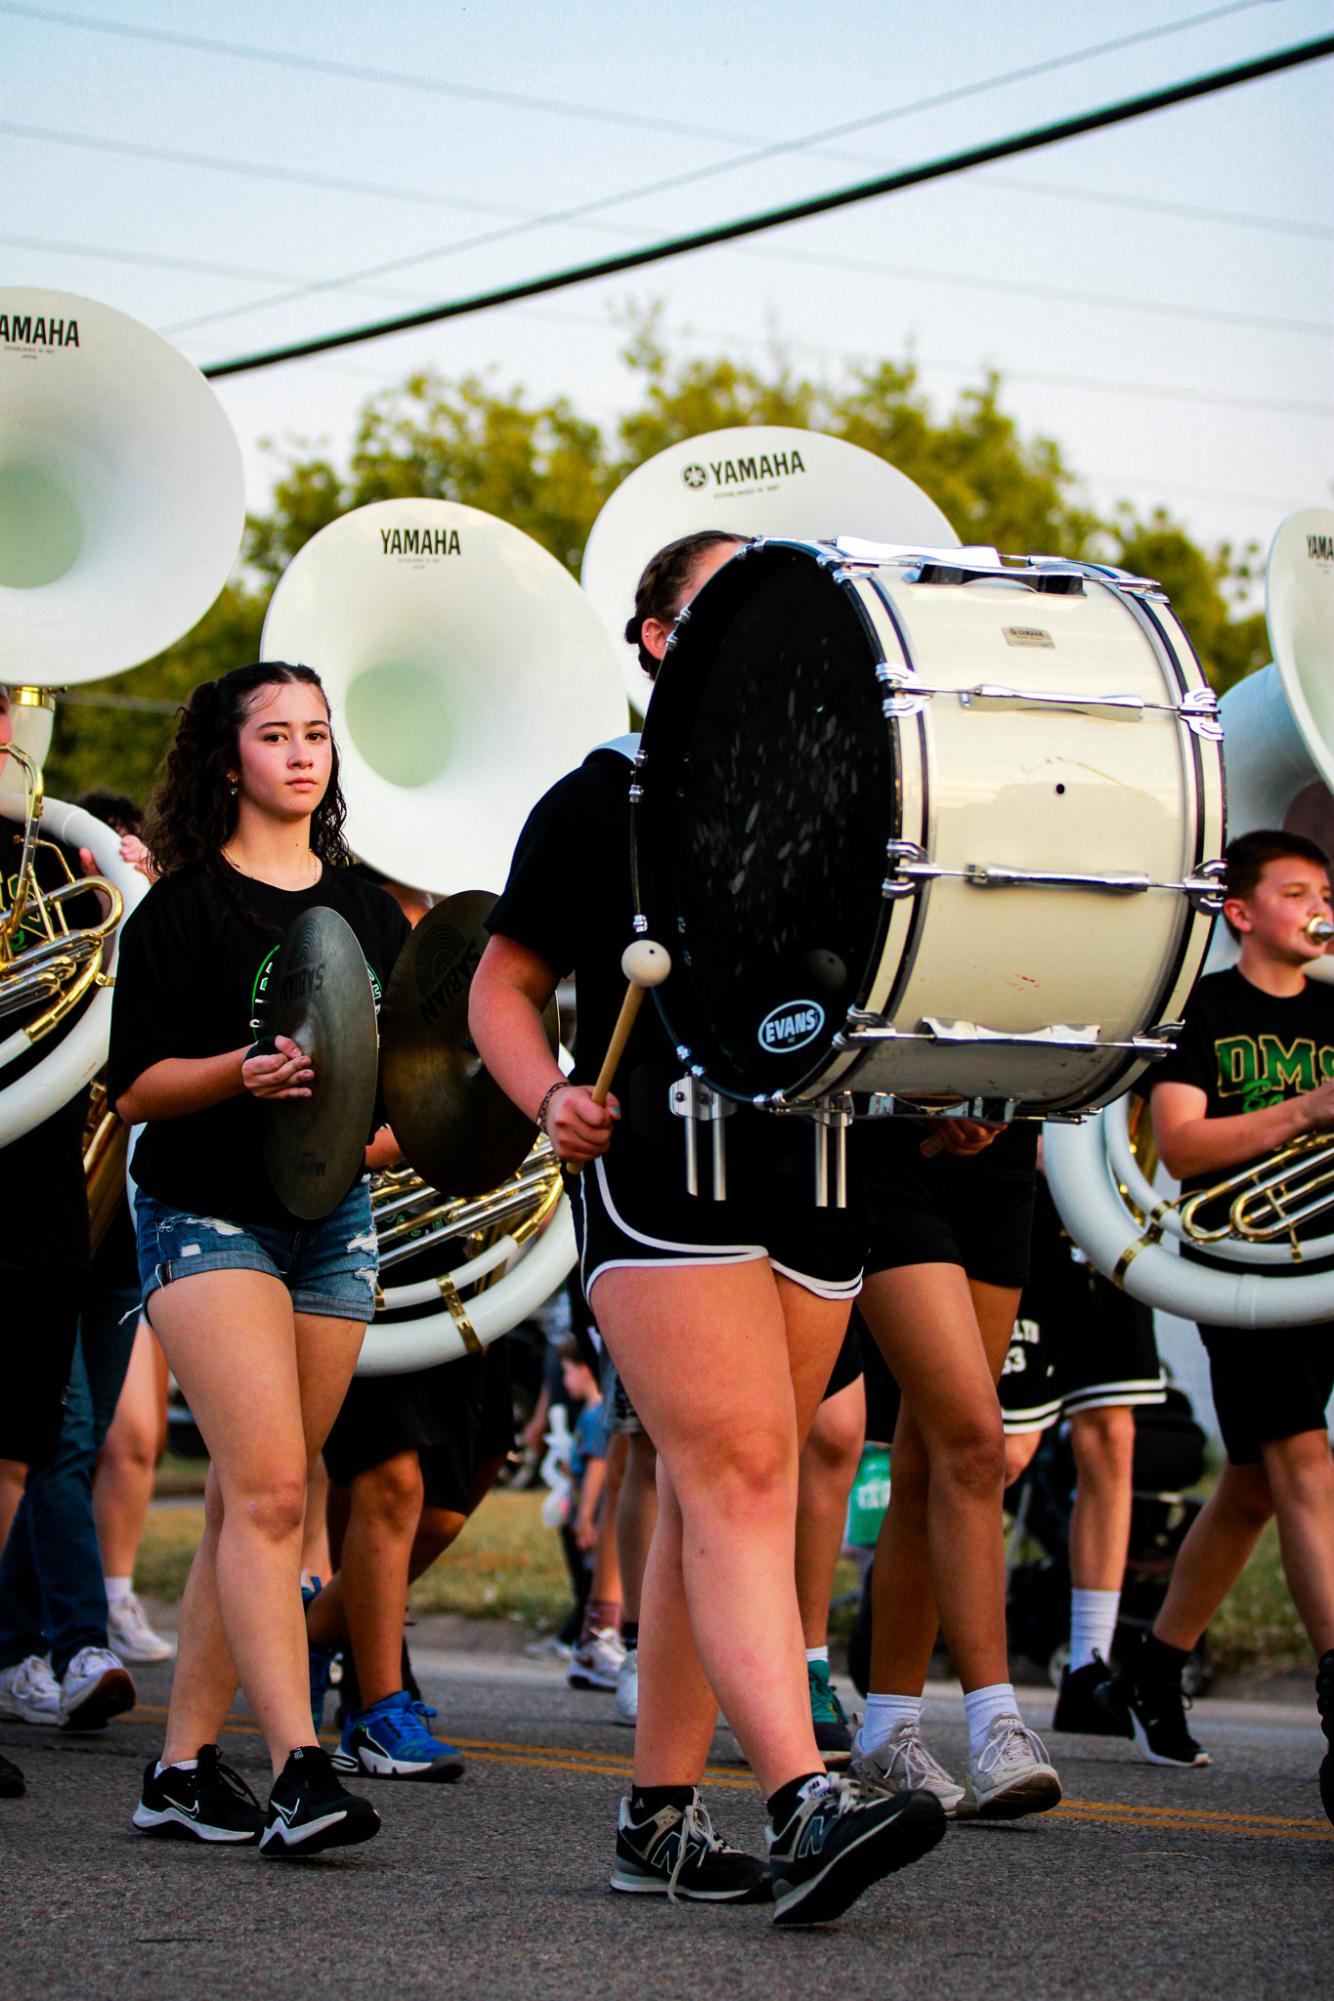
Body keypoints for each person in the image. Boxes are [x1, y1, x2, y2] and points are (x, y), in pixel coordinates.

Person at [470, 531, 946, 1926]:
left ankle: (658, 1819)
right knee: (735, 1468)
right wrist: (547, 1089)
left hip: (815, 1160)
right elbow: (503, 982)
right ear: (656, 639)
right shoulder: (601, 799)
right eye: (716, 609)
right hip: (661, 1160)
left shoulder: (852, 792)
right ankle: (805, 1801)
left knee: (712, 1488)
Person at [108, 660, 408, 1855]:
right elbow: (133, 1091)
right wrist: (242, 1072)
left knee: (252, 1496)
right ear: (228, 760)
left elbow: (402, 1078)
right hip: (204, 1217)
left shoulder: (370, 909)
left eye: (318, 734)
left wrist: (390, 1126)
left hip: (332, 1224)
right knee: (279, 1492)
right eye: (274, 734)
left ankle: (180, 1769)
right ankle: (298, 1767)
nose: (300, 753)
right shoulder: (181, 908)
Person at [1098, 830, 1334, 1821]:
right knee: (1304, 1465)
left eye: (1324, 890)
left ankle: (1151, 1666)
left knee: (1249, 1488)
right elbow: (1185, 1147)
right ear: (1238, 913)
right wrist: (1305, 1112)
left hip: (1322, 1261)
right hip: (1242, 1266)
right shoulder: (1201, 1009)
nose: (1318, 906)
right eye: (1294, 892)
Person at [848, 1121, 1062, 1819]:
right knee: (975, 1441)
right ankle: (997, 1724)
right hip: (886, 1140)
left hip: (1001, 1146)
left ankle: (886, 1729)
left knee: (930, 1453)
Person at [1001, 1171, 1167, 1731]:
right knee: (1002, 1451)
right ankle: (895, 1658)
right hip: (1029, 1203)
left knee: (1112, 1437)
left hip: (1106, 1215)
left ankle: (1087, 1668)